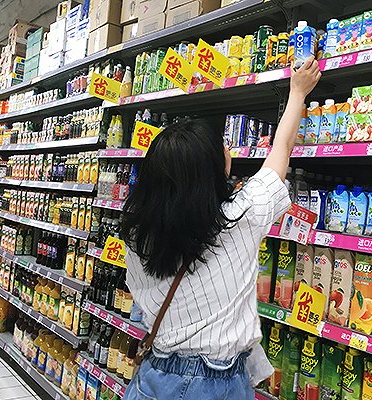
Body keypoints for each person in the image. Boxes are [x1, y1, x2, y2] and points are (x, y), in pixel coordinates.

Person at [121, 57, 321, 399]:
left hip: (154, 377)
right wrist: (298, 93)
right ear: (213, 172)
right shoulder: (239, 219)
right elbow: (281, 152)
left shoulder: (138, 234)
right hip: (213, 385)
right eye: (222, 150)